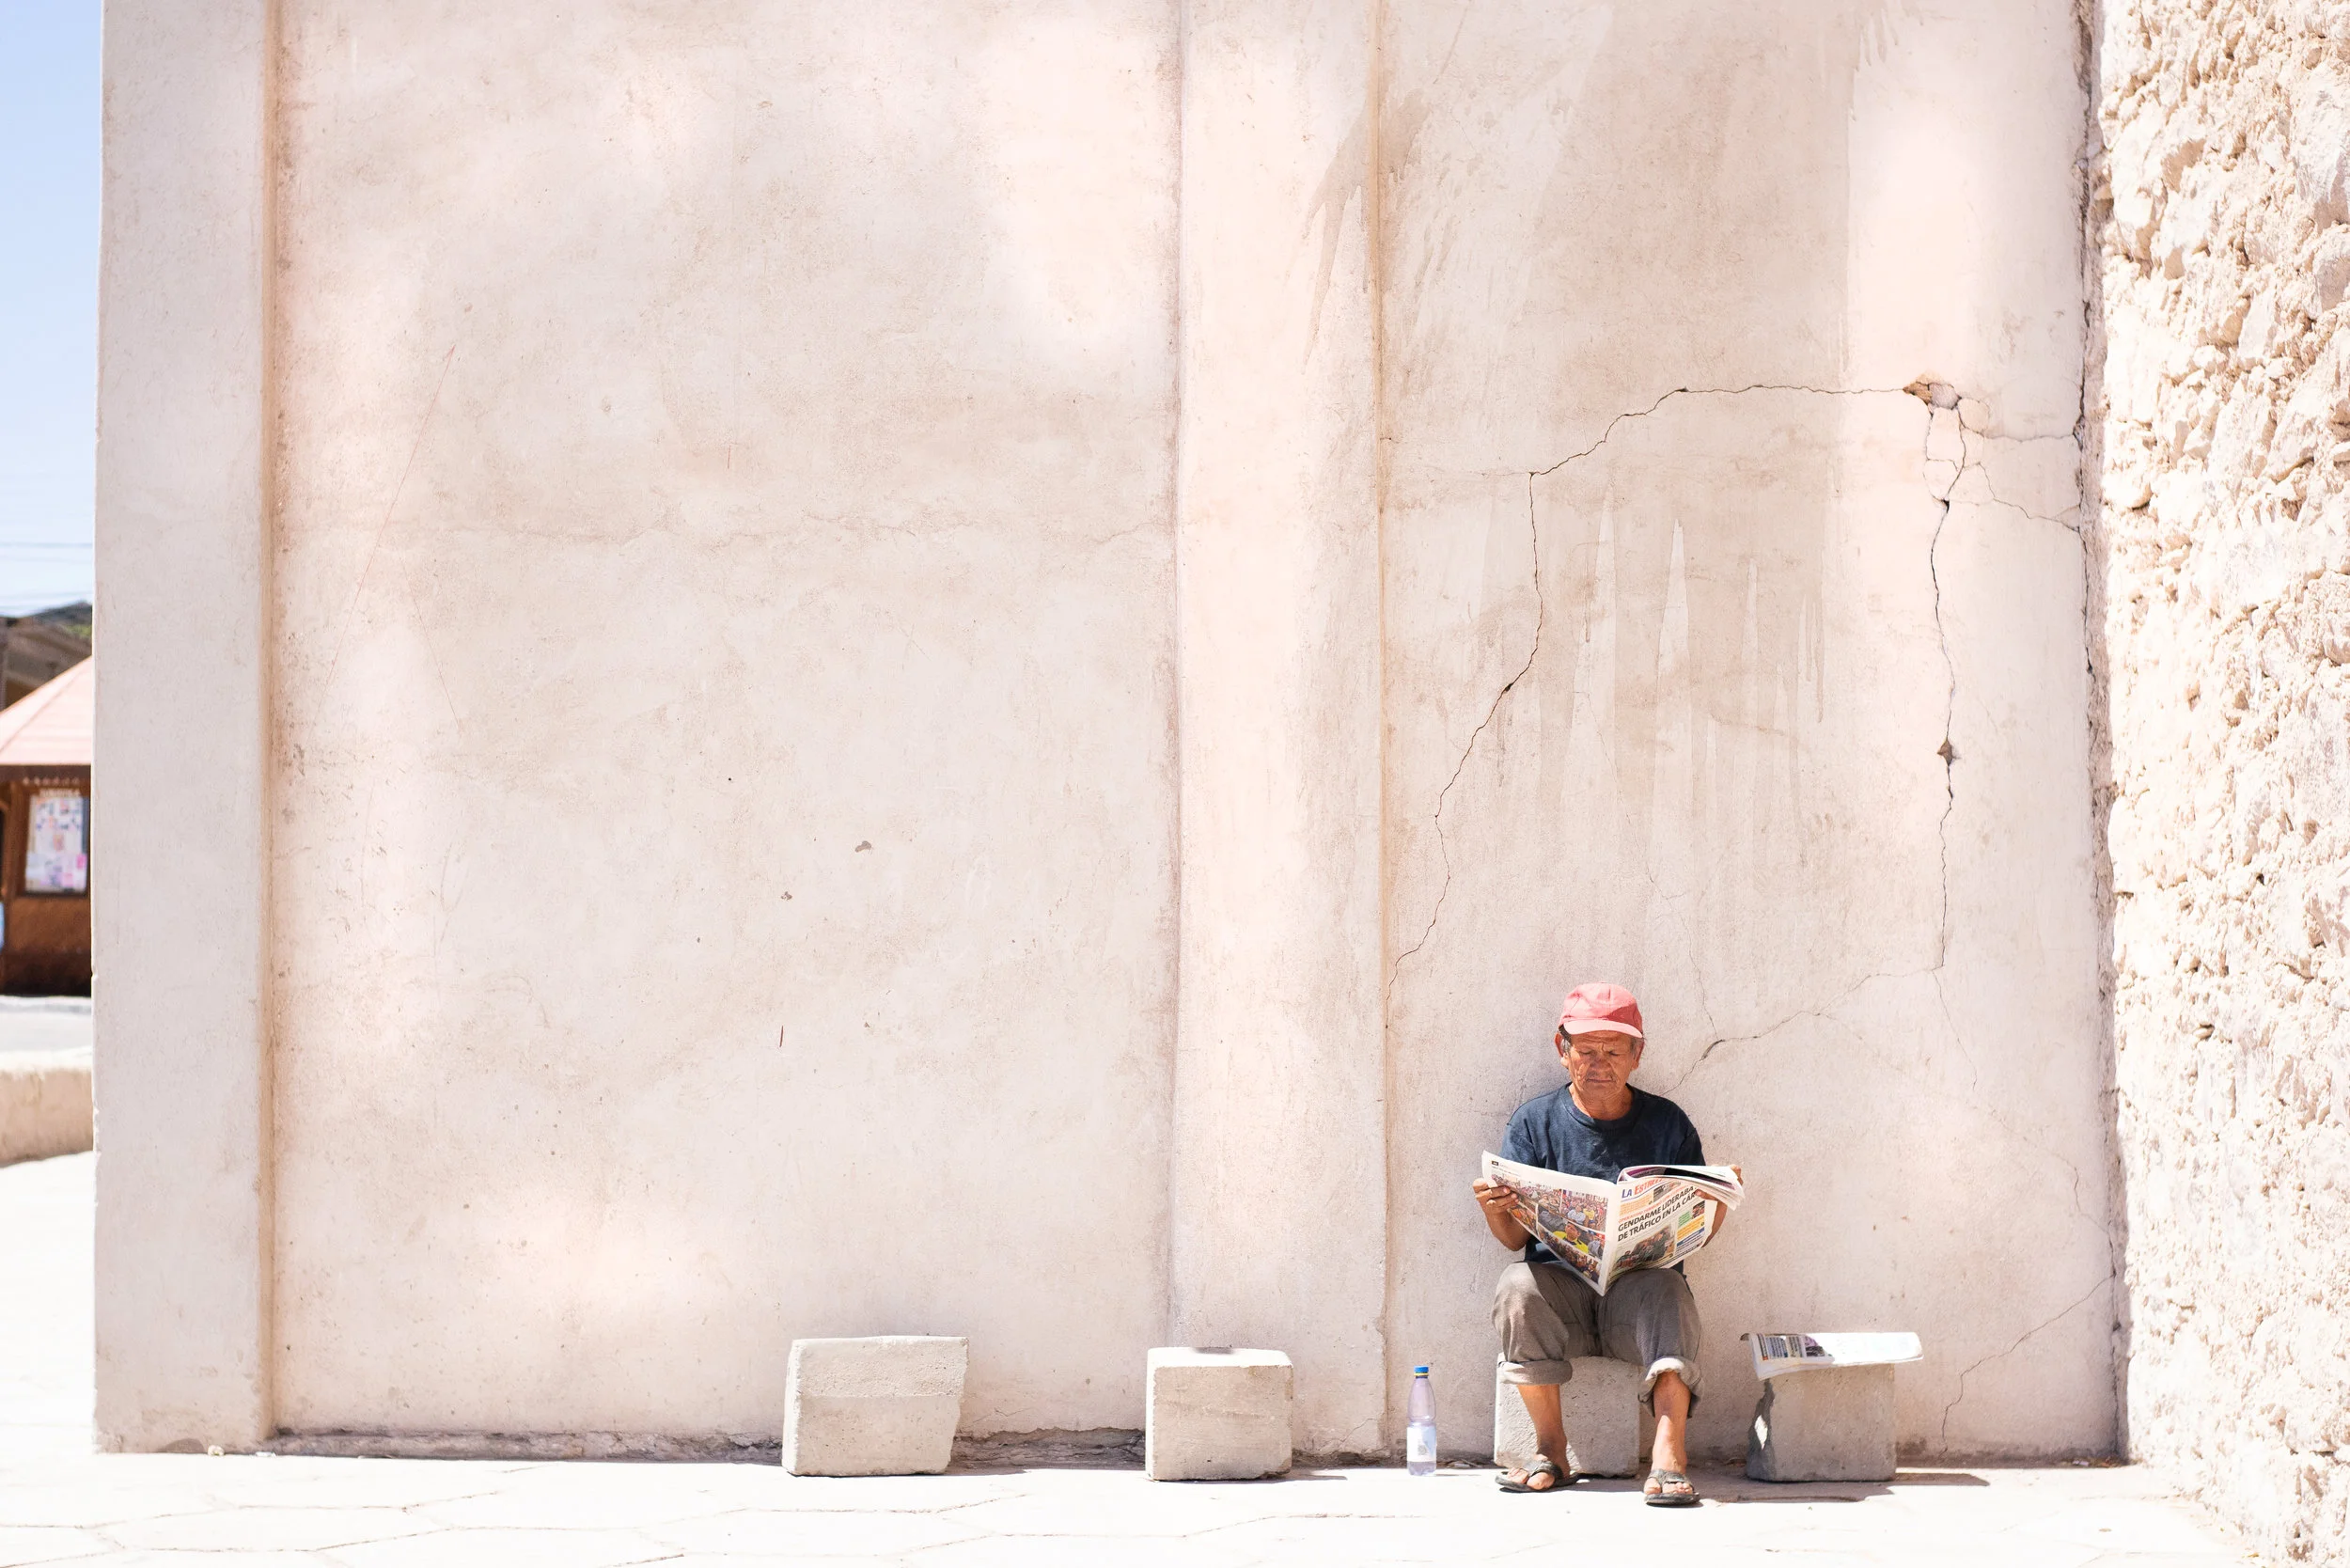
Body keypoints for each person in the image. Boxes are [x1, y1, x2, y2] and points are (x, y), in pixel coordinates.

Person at [1469, 981, 1734, 1507]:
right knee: (1517, 1286)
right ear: (1560, 1049)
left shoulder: (1667, 1124)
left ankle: (1667, 1456)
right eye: (1586, 1050)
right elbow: (1512, 1242)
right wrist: (1494, 1208)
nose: (1599, 1063)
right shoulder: (1534, 1122)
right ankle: (1551, 1450)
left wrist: (1716, 1205)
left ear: (1637, 1054)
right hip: (1561, 1305)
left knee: (1669, 1290)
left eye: (1614, 1050)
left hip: (1634, 1310)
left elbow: (1691, 1240)